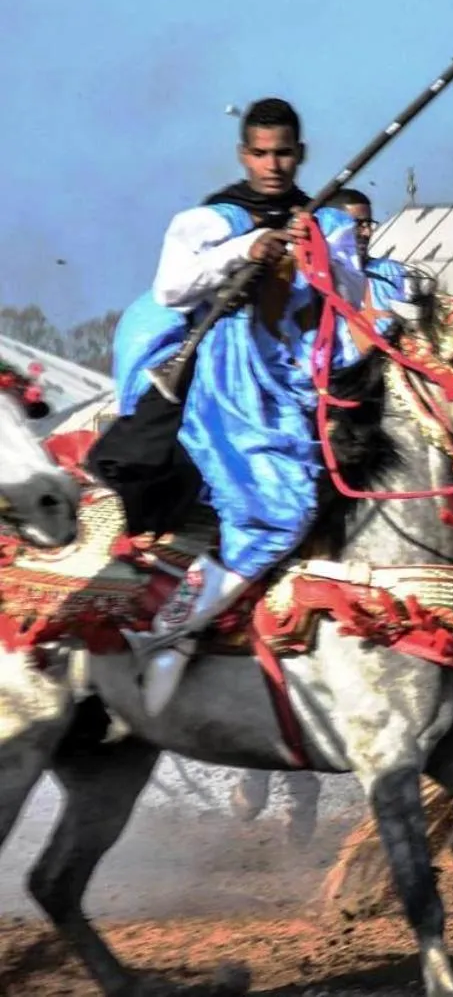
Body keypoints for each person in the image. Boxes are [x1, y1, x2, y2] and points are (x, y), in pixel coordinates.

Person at [89, 98, 379, 716]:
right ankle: (170, 633)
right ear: (244, 154)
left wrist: (316, 253)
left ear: (300, 154)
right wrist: (248, 251)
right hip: (228, 379)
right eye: (261, 153)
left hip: (306, 376)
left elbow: (355, 296)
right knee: (282, 509)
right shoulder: (210, 219)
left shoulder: (325, 221)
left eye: (283, 153)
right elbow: (171, 286)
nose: (272, 164)